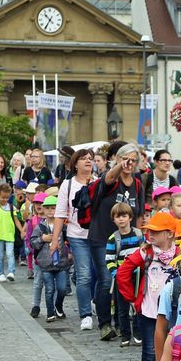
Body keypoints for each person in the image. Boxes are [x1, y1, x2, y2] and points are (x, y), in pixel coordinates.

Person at [117, 211, 181, 361]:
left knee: (176, 351)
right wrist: (132, 298)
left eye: (156, 231)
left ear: (170, 233)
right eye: (149, 231)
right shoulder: (145, 252)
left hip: (174, 312)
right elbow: (123, 272)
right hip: (149, 310)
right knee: (149, 352)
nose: (150, 235)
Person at [88, 144, 146, 341]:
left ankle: (122, 322)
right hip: (103, 237)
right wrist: (119, 166)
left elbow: (138, 214)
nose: (129, 163)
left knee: (128, 280)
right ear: (118, 160)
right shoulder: (112, 179)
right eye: (125, 159)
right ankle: (105, 324)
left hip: (129, 241)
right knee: (107, 279)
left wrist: (140, 240)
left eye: (133, 160)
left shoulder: (138, 183)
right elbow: (109, 178)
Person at [52, 149, 98, 331]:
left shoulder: (99, 182)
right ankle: (85, 314)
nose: (88, 161)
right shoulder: (67, 185)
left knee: (103, 276)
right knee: (85, 275)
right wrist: (55, 240)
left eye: (90, 158)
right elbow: (60, 214)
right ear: (75, 163)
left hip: (98, 235)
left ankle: (97, 304)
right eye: (83, 158)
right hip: (77, 235)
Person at [108, 202, 144, 346]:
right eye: (118, 217)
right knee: (122, 308)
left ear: (130, 217)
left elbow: (144, 252)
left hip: (137, 276)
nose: (121, 219)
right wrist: (116, 274)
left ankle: (137, 333)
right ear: (114, 219)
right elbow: (109, 260)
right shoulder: (113, 238)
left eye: (124, 216)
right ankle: (125, 335)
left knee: (137, 306)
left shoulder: (139, 235)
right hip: (122, 278)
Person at [31, 195, 71, 322]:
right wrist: (42, 239)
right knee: (49, 289)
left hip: (61, 263)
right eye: (47, 208)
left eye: (53, 208)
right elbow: (33, 243)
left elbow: (69, 241)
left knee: (62, 288)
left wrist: (70, 253)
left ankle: (58, 306)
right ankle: (50, 312)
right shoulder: (40, 227)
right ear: (43, 209)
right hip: (46, 264)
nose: (50, 211)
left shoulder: (63, 227)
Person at [0, 183, 22, 282]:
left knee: (10, 254)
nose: (5, 200)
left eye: (7, 198)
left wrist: (21, 231)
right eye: (3, 197)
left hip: (9, 234)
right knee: (0, 255)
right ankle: (1, 273)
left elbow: (16, 221)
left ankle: (11, 272)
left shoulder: (12, 207)